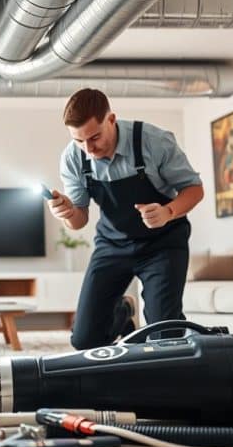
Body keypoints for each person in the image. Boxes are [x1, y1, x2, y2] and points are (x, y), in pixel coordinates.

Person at [46, 89, 205, 350]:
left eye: (94, 137)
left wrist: (168, 212)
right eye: (79, 140)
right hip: (112, 245)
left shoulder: (154, 142)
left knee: (164, 338)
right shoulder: (73, 157)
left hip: (163, 244)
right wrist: (66, 212)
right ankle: (122, 315)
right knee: (85, 341)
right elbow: (79, 220)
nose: (89, 148)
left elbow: (194, 189)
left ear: (111, 119)